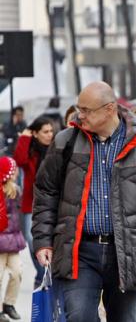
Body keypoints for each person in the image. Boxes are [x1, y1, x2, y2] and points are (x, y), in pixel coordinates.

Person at [32, 81, 136, 322]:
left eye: (86, 110)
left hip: (128, 252)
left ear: (110, 109)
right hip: (78, 251)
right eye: (79, 108)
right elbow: (46, 192)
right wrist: (43, 242)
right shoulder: (65, 142)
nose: (80, 116)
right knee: (79, 317)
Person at [12, 116, 55, 287]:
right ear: (36, 134)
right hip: (32, 203)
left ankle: (49, 272)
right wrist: (24, 136)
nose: (49, 135)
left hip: (53, 202)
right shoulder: (32, 152)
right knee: (31, 238)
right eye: (45, 132)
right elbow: (19, 160)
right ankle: (41, 271)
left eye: (51, 131)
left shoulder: (56, 149)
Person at [0, 157, 27, 322]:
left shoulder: (16, 190)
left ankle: (9, 303)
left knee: (17, 273)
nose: (16, 172)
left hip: (13, 241)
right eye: (14, 169)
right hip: (1, 241)